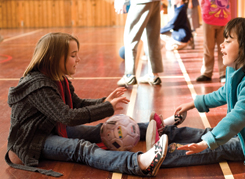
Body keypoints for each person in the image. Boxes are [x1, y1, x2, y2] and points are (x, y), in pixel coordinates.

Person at [5, 32, 184, 177]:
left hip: (50, 129)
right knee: (82, 148)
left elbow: (76, 103)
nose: (78, 59)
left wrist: (104, 102)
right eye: (73, 55)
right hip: (32, 142)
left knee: (102, 130)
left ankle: (158, 127)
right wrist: (107, 107)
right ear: (53, 58)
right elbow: (68, 116)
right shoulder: (38, 85)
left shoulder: (57, 79)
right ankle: (140, 163)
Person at [147, 18, 245, 168]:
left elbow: (236, 118)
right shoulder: (235, 70)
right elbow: (224, 93)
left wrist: (207, 142)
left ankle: (157, 159)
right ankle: (164, 132)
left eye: (229, 41)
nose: (222, 45)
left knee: (213, 147)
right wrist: (194, 103)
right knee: (208, 134)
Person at [115, 0, 164, 86]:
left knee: (131, 38)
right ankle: (154, 75)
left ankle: (129, 75)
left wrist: (124, 0)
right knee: (153, 38)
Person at [196, 0, 231, 83]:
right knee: (208, 46)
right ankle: (207, 73)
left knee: (223, 48)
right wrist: (204, 11)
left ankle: (223, 73)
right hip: (209, 18)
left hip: (224, 18)